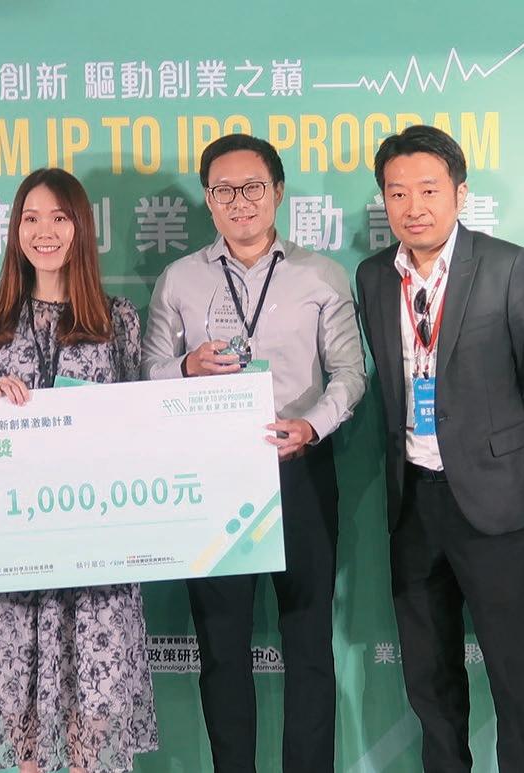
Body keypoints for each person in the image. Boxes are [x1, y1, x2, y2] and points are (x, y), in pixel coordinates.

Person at [142, 133, 365, 772]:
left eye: (253, 187)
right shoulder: (179, 279)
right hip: (213, 480)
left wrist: (311, 428)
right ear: (208, 200)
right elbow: (148, 373)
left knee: (308, 645)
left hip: (300, 472)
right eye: (224, 190)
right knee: (222, 649)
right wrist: (186, 367)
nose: (240, 201)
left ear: (278, 193)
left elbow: (350, 372)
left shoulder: (321, 275)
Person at [354, 124, 524, 773]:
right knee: (429, 676)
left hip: (495, 506)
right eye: (397, 192)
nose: (412, 206)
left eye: (428, 189)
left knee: (515, 673)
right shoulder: (372, 277)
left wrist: (519, 477)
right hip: (412, 502)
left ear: (459, 193)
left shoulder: (508, 266)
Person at [0, 168, 158, 773]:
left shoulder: (117, 319)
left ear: (80, 227)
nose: (45, 231)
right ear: (14, 230)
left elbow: (142, 429)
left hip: (95, 554)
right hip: (11, 551)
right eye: (31, 218)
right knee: (24, 726)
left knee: (93, 718)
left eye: (59, 218)